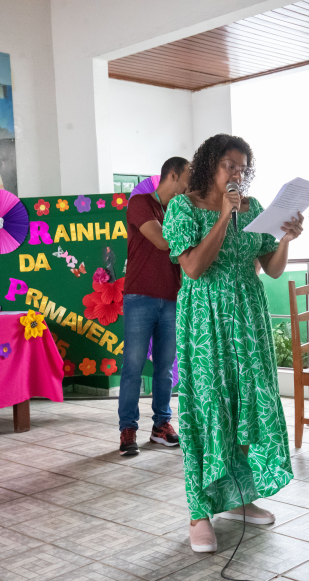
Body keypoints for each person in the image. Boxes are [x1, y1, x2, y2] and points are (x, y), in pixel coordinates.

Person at [162, 135, 304, 552]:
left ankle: (238, 497)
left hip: (248, 318)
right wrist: (224, 216)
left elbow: (272, 269)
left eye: (242, 167)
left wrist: (286, 239)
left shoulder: (254, 209)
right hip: (205, 321)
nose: (237, 174)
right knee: (209, 409)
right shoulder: (183, 208)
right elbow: (193, 268)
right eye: (229, 165)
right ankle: (199, 512)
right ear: (210, 165)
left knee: (245, 404)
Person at [118, 157, 190, 455]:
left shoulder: (179, 209)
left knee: (165, 369)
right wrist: (189, 234)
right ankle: (128, 429)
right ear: (172, 175)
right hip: (140, 297)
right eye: (187, 179)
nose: (190, 187)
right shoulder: (140, 203)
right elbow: (161, 240)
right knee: (133, 367)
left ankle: (161, 425)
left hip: (172, 297)